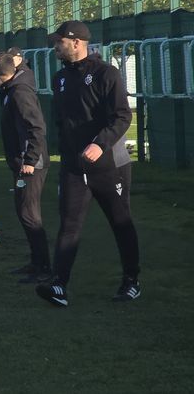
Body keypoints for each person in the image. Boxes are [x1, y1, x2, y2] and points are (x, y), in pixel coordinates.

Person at [36, 20, 140, 307]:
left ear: (76, 43)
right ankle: (59, 286)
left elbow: (122, 116)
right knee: (69, 225)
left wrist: (99, 143)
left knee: (121, 223)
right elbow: (63, 121)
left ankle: (131, 281)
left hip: (110, 166)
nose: (55, 46)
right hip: (74, 167)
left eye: (60, 42)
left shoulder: (107, 74)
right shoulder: (59, 78)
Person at [0, 51, 51, 283]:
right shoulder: (11, 89)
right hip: (23, 163)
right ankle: (36, 262)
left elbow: (36, 128)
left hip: (31, 165)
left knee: (29, 214)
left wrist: (30, 160)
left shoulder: (19, 92)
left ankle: (44, 268)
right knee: (23, 211)